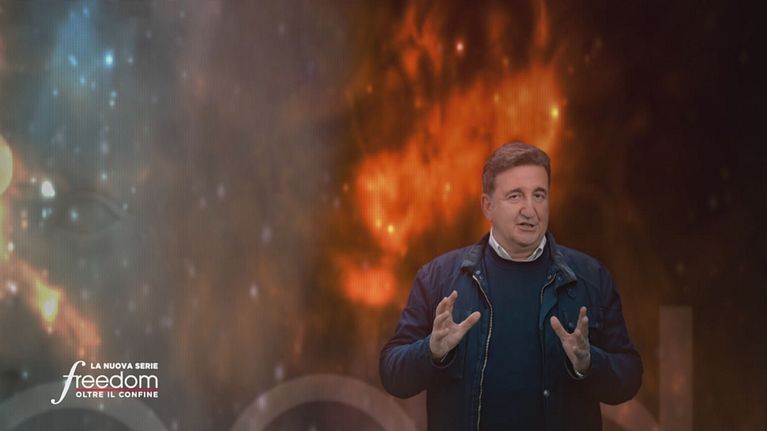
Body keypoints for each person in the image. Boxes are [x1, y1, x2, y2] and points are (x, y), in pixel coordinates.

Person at [379, 142, 642, 431]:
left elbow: (629, 378)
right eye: (515, 196)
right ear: (487, 206)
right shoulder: (437, 279)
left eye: (539, 195)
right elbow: (393, 375)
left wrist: (588, 363)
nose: (530, 210)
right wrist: (432, 350)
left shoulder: (591, 279)